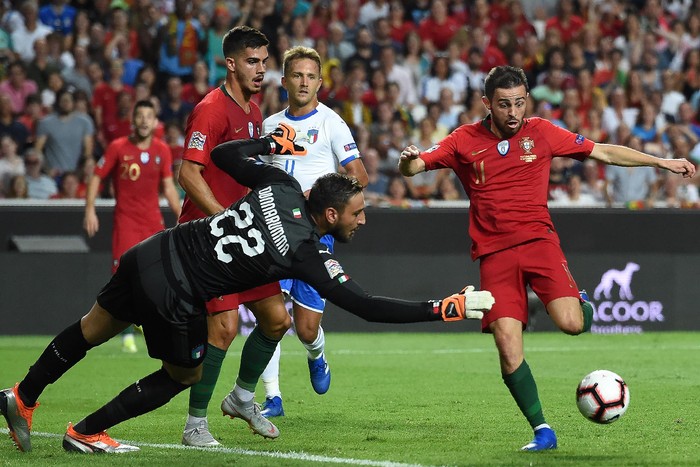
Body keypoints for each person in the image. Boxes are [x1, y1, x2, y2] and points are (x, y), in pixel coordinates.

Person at [0, 124, 494, 454]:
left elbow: (222, 155)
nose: (362, 220)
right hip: (177, 290)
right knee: (183, 375)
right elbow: (366, 306)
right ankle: (86, 433)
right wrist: (444, 307)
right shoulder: (309, 254)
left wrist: (271, 144)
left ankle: (23, 395)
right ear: (329, 215)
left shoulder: (279, 184)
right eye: (357, 213)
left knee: (90, 329)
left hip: (153, 251)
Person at [398, 66, 695, 452]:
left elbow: (602, 151)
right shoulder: (463, 140)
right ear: (487, 103)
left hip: (540, 243)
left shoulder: (541, 131)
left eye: (520, 103)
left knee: (572, 324)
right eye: (504, 104)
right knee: (507, 345)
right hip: (494, 254)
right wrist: (408, 160)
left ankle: (581, 303)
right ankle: (542, 430)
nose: (513, 112)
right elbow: (416, 167)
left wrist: (661, 162)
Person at [176, 25, 287, 448]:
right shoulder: (211, 109)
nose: (262, 70)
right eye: (253, 62)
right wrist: (224, 219)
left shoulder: (255, 112)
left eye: (264, 61)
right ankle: (195, 426)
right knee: (222, 330)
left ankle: (241, 398)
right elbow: (188, 173)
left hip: (243, 237)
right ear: (231, 63)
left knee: (277, 320)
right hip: (210, 238)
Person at [256, 46, 369, 418]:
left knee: (305, 330)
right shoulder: (269, 125)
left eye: (310, 76)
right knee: (271, 317)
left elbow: (360, 177)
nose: (303, 82)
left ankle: (317, 355)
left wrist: (315, 196)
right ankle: (273, 397)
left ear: (320, 82)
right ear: (285, 80)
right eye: (297, 75)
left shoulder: (331, 123)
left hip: (313, 236)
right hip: (273, 232)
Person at [83, 99, 181, 353]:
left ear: (156, 121)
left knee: (157, 277)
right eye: (140, 116)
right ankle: (126, 332)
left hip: (152, 223)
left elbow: (169, 187)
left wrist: (182, 215)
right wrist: (90, 209)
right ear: (133, 120)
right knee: (122, 278)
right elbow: (97, 176)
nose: (145, 120)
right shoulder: (118, 147)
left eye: (149, 116)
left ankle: (149, 326)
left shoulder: (162, 150)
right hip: (125, 223)